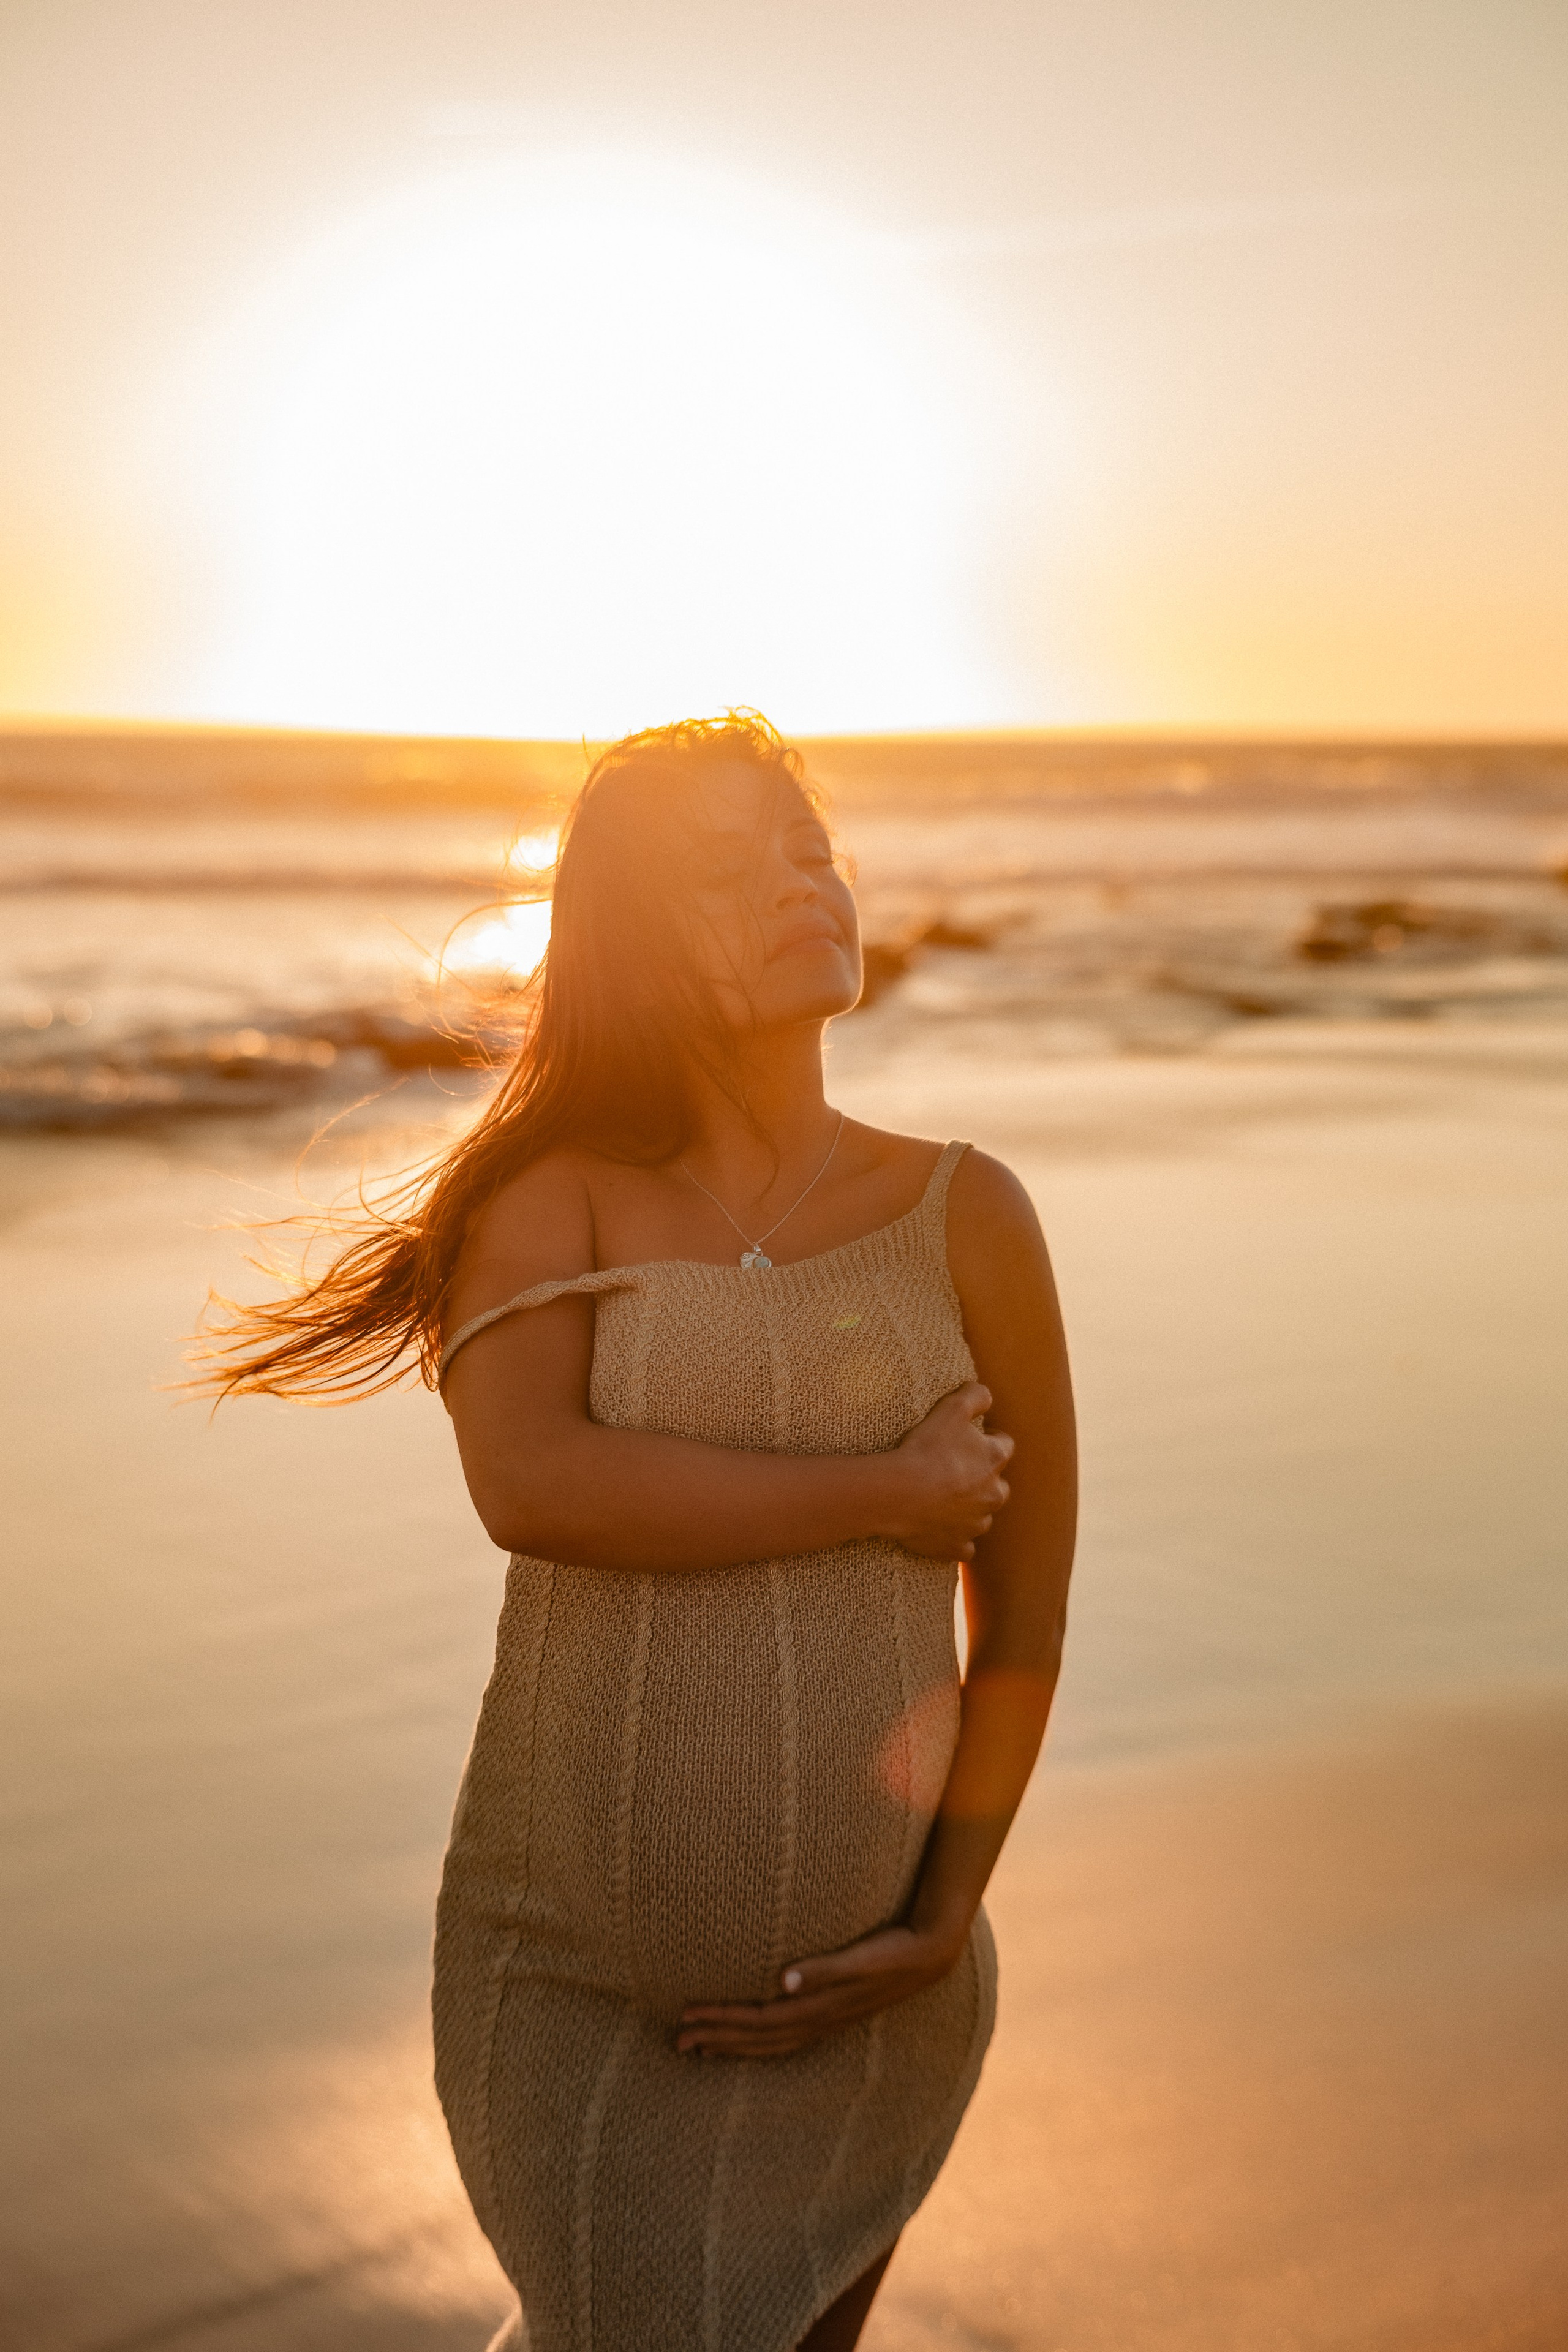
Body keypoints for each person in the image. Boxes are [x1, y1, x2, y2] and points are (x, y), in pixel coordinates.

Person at [199, 714, 1077, 2352]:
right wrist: (886, 1492)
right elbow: (537, 1487)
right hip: (590, 2005)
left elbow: (1022, 1621)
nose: (797, 886)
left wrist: (946, 1913)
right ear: (626, 942)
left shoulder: (973, 1215)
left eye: (808, 851)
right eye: (726, 872)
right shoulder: (553, 1199)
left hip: (872, 2006)